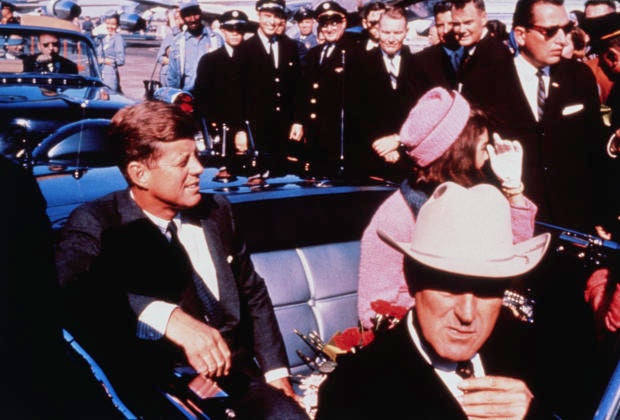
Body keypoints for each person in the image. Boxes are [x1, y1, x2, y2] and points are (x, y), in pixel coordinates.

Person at [55, 101, 308, 419]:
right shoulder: (97, 223)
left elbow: (252, 293)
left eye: (197, 155)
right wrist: (165, 316)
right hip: (157, 389)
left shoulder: (217, 211)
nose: (199, 168)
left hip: (238, 382)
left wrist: (276, 374)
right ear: (140, 173)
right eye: (182, 161)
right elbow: (68, 291)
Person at [318, 181, 555, 419]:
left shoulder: (527, 350)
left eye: (485, 290)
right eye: (450, 287)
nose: (467, 314)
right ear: (412, 281)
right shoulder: (354, 391)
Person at [358, 87, 538, 328]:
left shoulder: (472, 196)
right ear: (458, 152)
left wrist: (513, 187)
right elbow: (374, 310)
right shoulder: (397, 216)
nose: (487, 158)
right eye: (483, 147)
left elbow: (513, 256)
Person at [492, 0, 605, 231]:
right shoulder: (487, 81)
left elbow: (595, 150)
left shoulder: (578, 76)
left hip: (574, 224)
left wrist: (603, 215)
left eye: (566, 29)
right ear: (521, 35)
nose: (562, 40)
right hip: (512, 225)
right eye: (551, 31)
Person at [352, 6, 427, 182]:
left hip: (410, 160)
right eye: (386, 32)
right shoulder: (359, 63)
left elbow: (423, 113)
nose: (391, 39)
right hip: (370, 162)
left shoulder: (419, 66)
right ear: (377, 31)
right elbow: (354, 112)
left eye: (397, 33)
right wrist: (381, 145)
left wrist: (399, 143)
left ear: (406, 32)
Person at [237, 0, 304, 175]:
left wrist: (298, 120)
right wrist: (239, 130)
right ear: (258, 15)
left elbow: (298, 88)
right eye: (267, 16)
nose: (272, 22)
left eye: (276, 17)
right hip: (255, 132)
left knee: (282, 184)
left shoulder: (290, 47)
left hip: (284, 131)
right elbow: (235, 95)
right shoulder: (244, 50)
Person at [299, 0, 363, 178]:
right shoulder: (314, 54)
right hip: (315, 136)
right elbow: (306, 92)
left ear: (343, 22)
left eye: (334, 23)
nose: (329, 29)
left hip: (340, 139)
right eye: (325, 24)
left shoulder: (354, 53)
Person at [194, 10, 250, 155]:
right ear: (223, 30)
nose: (235, 33)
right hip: (219, 130)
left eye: (239, 29)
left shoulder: (255, 59)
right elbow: (202, 97)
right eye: (230, 29)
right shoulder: (209, 61)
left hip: (250, 130)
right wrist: (213, 128)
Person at [167, 0, 223, 91]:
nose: (193, 19)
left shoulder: (216, 39)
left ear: (201, 13)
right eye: (188, 15)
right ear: (182, 17)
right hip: (187, 98)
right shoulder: (177, 42)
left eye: (195, 14)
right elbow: (172, 76)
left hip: (212, 96)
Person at [413, 1, 463, 91]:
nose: (445, 31)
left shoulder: (478, 55)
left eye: (451, 24)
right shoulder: (421, 61)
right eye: (440, 25)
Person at [96, 14, 125, 93]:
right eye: (108, 24)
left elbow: (121, 60)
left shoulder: (118, 38)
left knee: (109, 97)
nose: (110, 26)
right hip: (98, 73)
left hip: (110, 75)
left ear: (117, 25)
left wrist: (103, 61)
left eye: (113, 24)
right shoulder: (102, 38)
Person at [156, 8, 183, 87]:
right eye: (177, 18)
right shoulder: (169, 37)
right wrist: (172, 62)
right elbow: (159, 57)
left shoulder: (187, 36)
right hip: (168, 75)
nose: (179, 20)